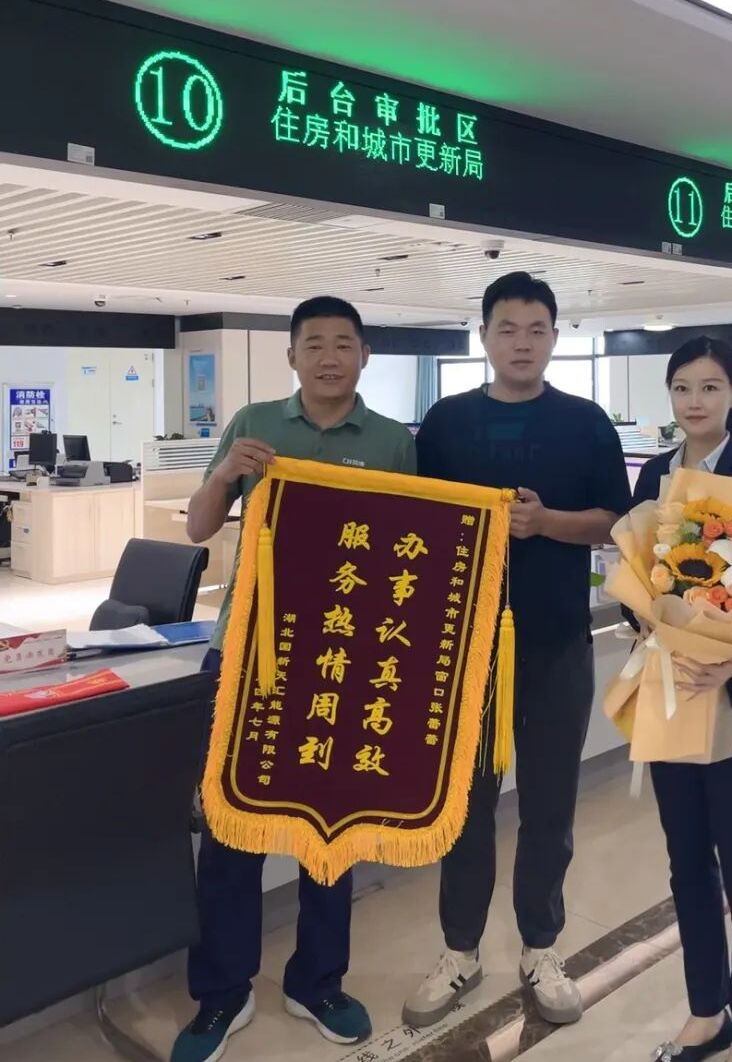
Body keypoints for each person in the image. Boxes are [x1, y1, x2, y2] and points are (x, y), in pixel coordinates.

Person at [171, 296, 416, 1062]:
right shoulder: (254, 423)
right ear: (292, 357)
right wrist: (226, 475)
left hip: (340, 658)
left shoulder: (392, 442)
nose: (329, 357)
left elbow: (411, 549)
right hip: (247, 651)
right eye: (315, 344)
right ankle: (223, 990)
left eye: (344, 343)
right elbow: (198, 526)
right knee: (230, 825)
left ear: (365, 355)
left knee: (330, 828)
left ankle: (317, 981)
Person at [404, 271, 631, 1028]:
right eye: (507, 329)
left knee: (549, 805)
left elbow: (616, 521)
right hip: (463, 650)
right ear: (484, 337)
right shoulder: (445, 423)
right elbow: (416, 522)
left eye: (537, 330)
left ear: (556, 338)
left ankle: (541, 947)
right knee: (465, 808)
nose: (522, 343)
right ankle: (460, 951)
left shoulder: (586, 423)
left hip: (557, 642)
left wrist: (547, 523)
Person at [631, 337, 732, 1062]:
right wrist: (650, 623)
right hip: (671, 687)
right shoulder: (653, 475)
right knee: (687, 858)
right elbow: (639, 572)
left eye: (708, 387)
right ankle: (706, 1010)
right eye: (681, 388)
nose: (694, 401)